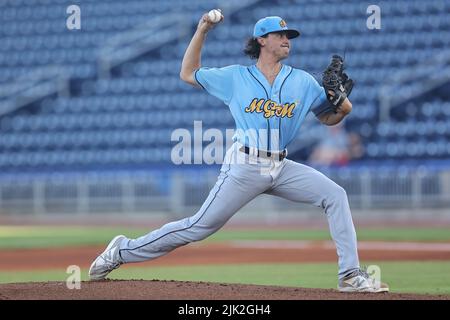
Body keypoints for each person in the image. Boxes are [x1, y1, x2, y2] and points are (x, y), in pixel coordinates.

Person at [89, 12, 388, 293]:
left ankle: (350, 275)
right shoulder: (236, 77)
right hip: (245, 164)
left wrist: (344, 104)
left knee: (335, 195)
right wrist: (202, 29)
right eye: (279, 34)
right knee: (198, 227)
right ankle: (121, 249)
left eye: (289, 35)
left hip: (281, 166)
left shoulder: (303, 81)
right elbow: (187, 73)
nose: (287, 39)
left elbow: (328, 117)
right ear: (261, 40)